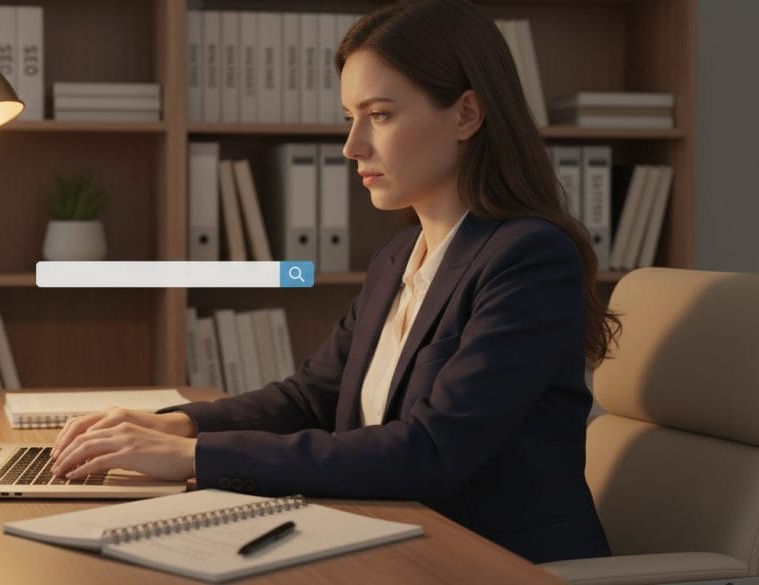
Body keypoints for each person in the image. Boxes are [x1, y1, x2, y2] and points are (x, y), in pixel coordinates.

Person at [50, 0, 618, 564]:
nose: (353, 147)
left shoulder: (530, 260)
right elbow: (311, 398)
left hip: (494, 562)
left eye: (380, 115)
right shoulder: (400, 257)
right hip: (392, 539)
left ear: (466, 114)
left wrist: (192, 455)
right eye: (351, 117)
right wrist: (173, 423)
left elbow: (429, 451)